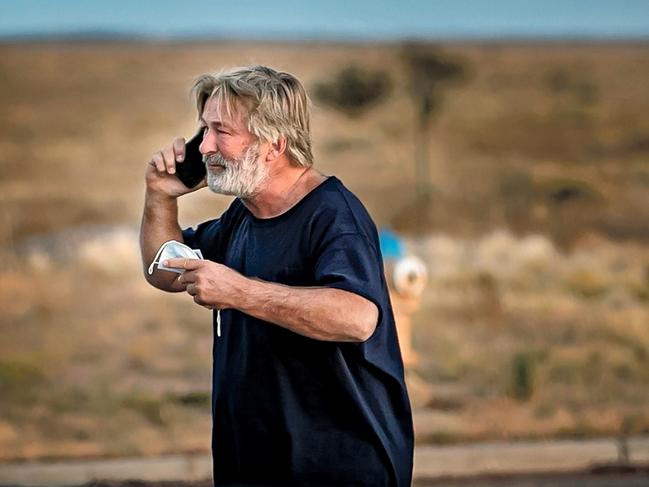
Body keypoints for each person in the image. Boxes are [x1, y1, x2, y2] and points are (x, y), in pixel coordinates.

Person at [140, 65, 413, 486]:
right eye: (203, 130)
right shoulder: (243, 216)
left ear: (274, 145)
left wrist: (240, 292)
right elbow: (165, 269)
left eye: (221, 132)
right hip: (254, 462)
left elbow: (358, 317)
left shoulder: (334, 216)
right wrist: (159, 196)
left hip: (335, 468)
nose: (205, 146)